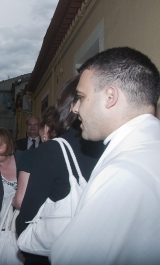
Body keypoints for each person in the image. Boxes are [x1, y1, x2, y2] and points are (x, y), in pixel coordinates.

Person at [50, 47, 160, 264]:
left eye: (81, 97)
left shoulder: (123, 172)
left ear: (110, 97)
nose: (75, 109)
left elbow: (71, 258)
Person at [16, 75, 104, 265]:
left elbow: (28, 209)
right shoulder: (110, 144)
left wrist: (22, 236)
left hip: (54, 251)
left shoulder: (53, 149)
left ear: (66, 106)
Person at [12, 106, 58, 210]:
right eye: (30, 124)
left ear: (43, 128)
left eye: (36, 125)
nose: (32, 127)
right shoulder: (17, 144)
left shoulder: (45, 148)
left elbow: (19, 202)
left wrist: (12, 200)